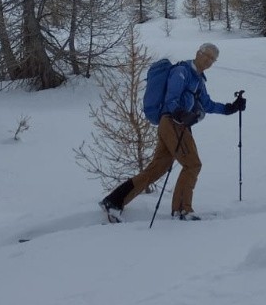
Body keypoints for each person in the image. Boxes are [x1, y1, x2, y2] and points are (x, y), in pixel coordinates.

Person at [99, 42, 245, 221]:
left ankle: (113, 201)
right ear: (198, 53)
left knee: (157, 169)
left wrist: (231, 108)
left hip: (177, 124)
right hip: (173, 122)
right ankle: (182, 211)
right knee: (192, 164)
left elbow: (207, 104)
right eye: (207, 56)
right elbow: (171, 98)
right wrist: (181, 113)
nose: (209, 61)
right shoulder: (181, 72)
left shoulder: (198, 79)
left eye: (213, 60)